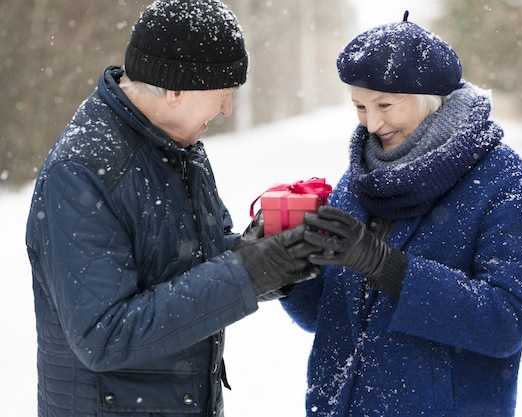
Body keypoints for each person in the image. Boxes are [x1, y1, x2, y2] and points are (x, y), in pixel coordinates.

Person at [25, 1, 318, 416]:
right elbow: (103, 335)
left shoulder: (177, 145)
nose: (226, 110)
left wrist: (266, 254)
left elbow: (187, 269)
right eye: (223, 94)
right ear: (176, 89)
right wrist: (248, 272)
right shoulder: (82, 173)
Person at [280, 11, 522, 417]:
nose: (372, 124)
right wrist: (287, 269)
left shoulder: (497, 176)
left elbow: (506, 319)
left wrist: (388, 268)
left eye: (385, 104)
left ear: (429, 100)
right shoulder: (359, 177)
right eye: (360, 106)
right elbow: (328, 315)